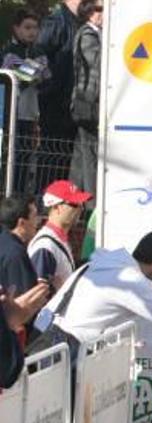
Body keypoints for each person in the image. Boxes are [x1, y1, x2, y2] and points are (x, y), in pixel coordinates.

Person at [31, 231, 152, 354]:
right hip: (64, 350)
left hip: (43, 335)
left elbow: (119, 297)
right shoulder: (130, 279)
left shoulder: (106, 264)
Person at [1, 8, 51, 194]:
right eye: (27, 27)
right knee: (9, 160)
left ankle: (19, 198)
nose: (32, 31)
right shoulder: (9, 51)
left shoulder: (38, 51)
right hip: (10, 115)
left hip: (30, 115)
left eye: (35, 27)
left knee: (24, 161)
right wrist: (33, 71)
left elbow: (45, 77)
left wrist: (32, 71)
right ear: (16, 28)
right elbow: (28, 76)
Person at [36, 0, 80, 188]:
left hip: (75, 107)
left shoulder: (83, 22)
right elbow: (37, 58)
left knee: (69, 162)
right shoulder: (55, 23)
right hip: (55, 106)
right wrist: (48, 88)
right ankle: (45, 204)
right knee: (53, 160)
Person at [0, 195, 50, 343]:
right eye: (34, 216)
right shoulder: (15, 254)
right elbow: (26, 305)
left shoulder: (5, 243)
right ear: (22, 222)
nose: (38, 221)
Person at [28, 180, 91, 291]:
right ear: (57, 207)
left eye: (82, 204)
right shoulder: (45, 246)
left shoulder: (58, 239)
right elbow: (37, 294)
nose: (81, 208)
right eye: (75, 204)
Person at [69, 0, 103, 201]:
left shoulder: (97, 34)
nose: (104, 13)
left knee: (81, 158)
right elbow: (98, 63)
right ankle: (91, 206)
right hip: (87, 104)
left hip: (89, 103)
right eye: (100, 9)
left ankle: (72, 203)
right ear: (90, 13)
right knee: (90, 157)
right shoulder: (87, 34)